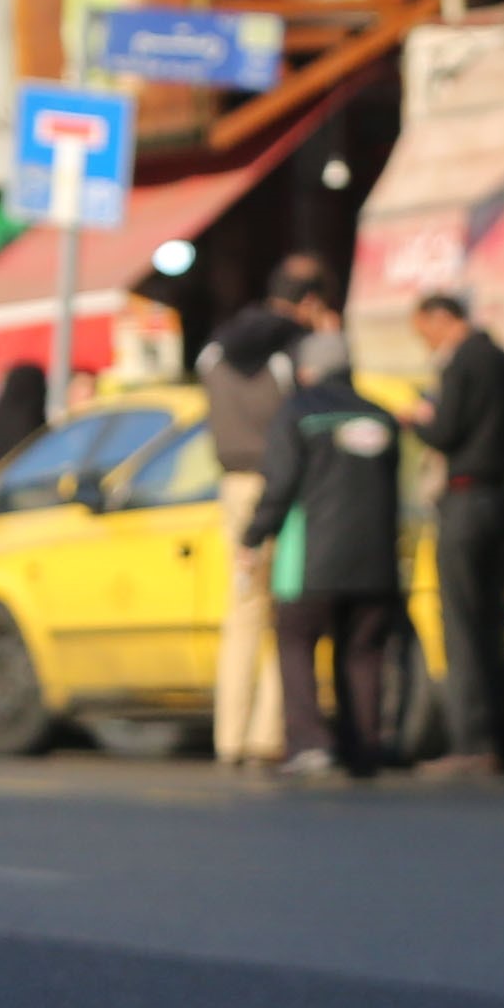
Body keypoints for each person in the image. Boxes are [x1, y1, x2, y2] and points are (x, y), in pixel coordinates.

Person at [247, 320, 409, 777]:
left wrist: (253, 535)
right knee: (363, 651)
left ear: (306, 371)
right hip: (376, 561)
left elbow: (280, 482)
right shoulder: (380, 416)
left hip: (310, 560)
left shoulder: (297, 413)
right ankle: (364, 744)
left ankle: (309, 742)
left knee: (296, 642)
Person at [202, 255, 337, 768]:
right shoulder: (297, 347)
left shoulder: (216, 347)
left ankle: (229, 736)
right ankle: (268, 734)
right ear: (310, 301)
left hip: (232, 484)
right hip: (284, 486)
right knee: (288, 610)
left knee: (242, 610)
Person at [410, 289, 504, 774]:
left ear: (441, 319)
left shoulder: (460, 364)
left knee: (460, 625)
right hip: (500, 498)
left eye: (424, 332)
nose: (426, 343)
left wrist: (417, 419)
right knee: (490, 622)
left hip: (463, 501)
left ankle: (471, 743)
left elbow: (444, 432)